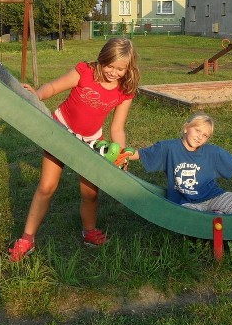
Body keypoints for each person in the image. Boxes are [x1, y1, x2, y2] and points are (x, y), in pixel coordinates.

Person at [9, 37, 140, 260]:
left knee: (90, 193)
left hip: (91, 141)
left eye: (120, 69)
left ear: (128, 68)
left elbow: (117, 128)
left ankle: (89, 232)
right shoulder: (85, 72)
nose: (113, 72)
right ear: (101, 60)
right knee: (47, 187)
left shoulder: (124, 91)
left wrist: (120, 153)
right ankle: (27, 239)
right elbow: (53, 87)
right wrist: (36, 95)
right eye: (109, 65)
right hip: (61, 131)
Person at [128, 112, 232, 267]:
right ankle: (215, 216)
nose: (200, 136)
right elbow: (140, 154)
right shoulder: (169, 148)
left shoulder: (211, 152)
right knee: (198, 222)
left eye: (205, 135)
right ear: (185, 127)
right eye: (197, 130)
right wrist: (120, 155)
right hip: (185, 203)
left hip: (213, 196)